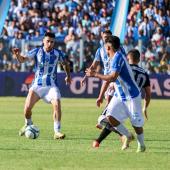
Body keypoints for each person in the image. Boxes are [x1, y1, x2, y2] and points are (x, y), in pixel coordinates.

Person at [86, 36, 146, 152]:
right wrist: (101, 94)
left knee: (136, 124)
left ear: (108, 47)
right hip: (119, 95)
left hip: (131, 96)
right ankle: (127, 135)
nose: (105, 50)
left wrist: (95, 74)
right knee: (110, 117)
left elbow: (112, 77)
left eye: (106, 48)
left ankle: (141, 145)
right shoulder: (113, 58)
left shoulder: (118, 57)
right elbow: (109, 78)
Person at [12, 32, 71, 139]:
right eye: (48, 41)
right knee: (27, 110)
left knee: (57, 104)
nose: (50, 43)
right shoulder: (37, 51)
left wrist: (68, 76)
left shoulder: (58, 53)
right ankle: (27, 124)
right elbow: (22, 60)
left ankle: (57, 132)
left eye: (52, 42)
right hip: (37, 86)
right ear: (43, 41)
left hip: (51, 86)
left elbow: (65, 64)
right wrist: (17, 55)